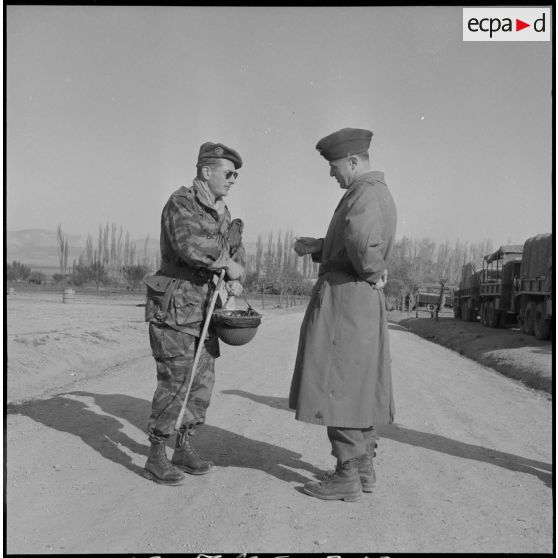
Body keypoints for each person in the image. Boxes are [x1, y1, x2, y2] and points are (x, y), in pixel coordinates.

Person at [289, 127, 397, 501]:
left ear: (353, 162)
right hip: (358, 299)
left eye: (334, 166)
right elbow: (356, 244)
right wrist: (319, 246)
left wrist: (373, 268)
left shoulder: (363, 195)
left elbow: (364, 249)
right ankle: (363, 466)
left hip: (346, 300)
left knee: (337, 384)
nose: (332, 173)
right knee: (359, 384)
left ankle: (346, 475)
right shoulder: (370, 193)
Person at [142, 141, 246, 485]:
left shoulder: (222, 210)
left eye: (235, 175)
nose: (232, 180)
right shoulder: (180, 204)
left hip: (205, 308)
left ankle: (184, 445)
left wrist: (235, 273)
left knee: (201, 383)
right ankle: (156, 453)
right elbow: (190, 246)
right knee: (175, 380)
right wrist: (227, 264)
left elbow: (233, 248)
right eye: (228, 173)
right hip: (175, 307)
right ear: (205, 171)